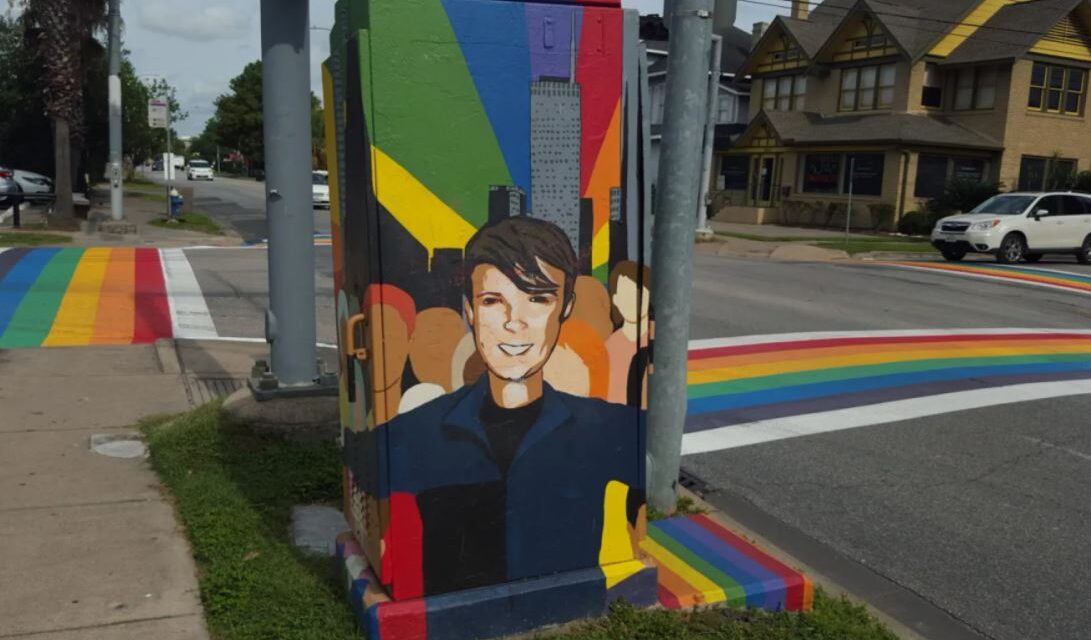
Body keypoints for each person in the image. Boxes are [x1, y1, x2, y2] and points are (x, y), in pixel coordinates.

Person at [347, 216, 645, 600]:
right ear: (469, 311)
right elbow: (361, 477)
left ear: (566, 307)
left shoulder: (608, 426)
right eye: (492, 301)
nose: (513, 322)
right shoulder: (414, 431)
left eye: (538, 299)